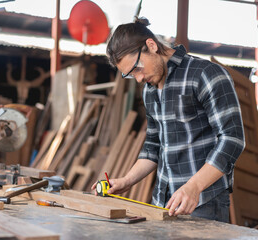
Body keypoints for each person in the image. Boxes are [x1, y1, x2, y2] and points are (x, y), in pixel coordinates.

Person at [92, 17, 245, 223]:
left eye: (137, 68)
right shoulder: (150, 90)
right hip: (162, 203)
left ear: (151, 45)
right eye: (130, 74)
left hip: (202, 203)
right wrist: (127, 181)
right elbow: (153, 145)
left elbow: (232, 139)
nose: (138, 78)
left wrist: (194, 187)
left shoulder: (206, 75)